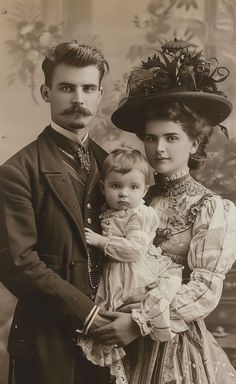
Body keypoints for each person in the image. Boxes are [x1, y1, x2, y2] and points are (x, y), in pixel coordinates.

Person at [0, 40, 138, 384]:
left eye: (88, 88)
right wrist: (88, 314)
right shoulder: (18, 171)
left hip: (112, 337)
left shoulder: (112, 166)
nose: (79, 99)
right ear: (46, 92)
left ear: (100, 93)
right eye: (66, 88)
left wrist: (129, 319)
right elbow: (18, 263)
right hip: (47, 341)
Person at [110, 39, 236, 383]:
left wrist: (140, 323)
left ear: (194, 142)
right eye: (151, 138)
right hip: (119, 343)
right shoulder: (135, 198)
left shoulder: (212, 208)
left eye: (171, 138)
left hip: (173, 345)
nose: (159, 148)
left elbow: (205, 288)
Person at [77, 147, 184, 383]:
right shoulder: (108, 212)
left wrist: (102, 242)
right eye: (116, 186)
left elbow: (134, 249)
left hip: (133, 272)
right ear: (103, 187)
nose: (124, 194)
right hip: (114, 272)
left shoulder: (139, 214)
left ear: (145, 190)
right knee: (107, 321)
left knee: (125, 310)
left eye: (133, 187)